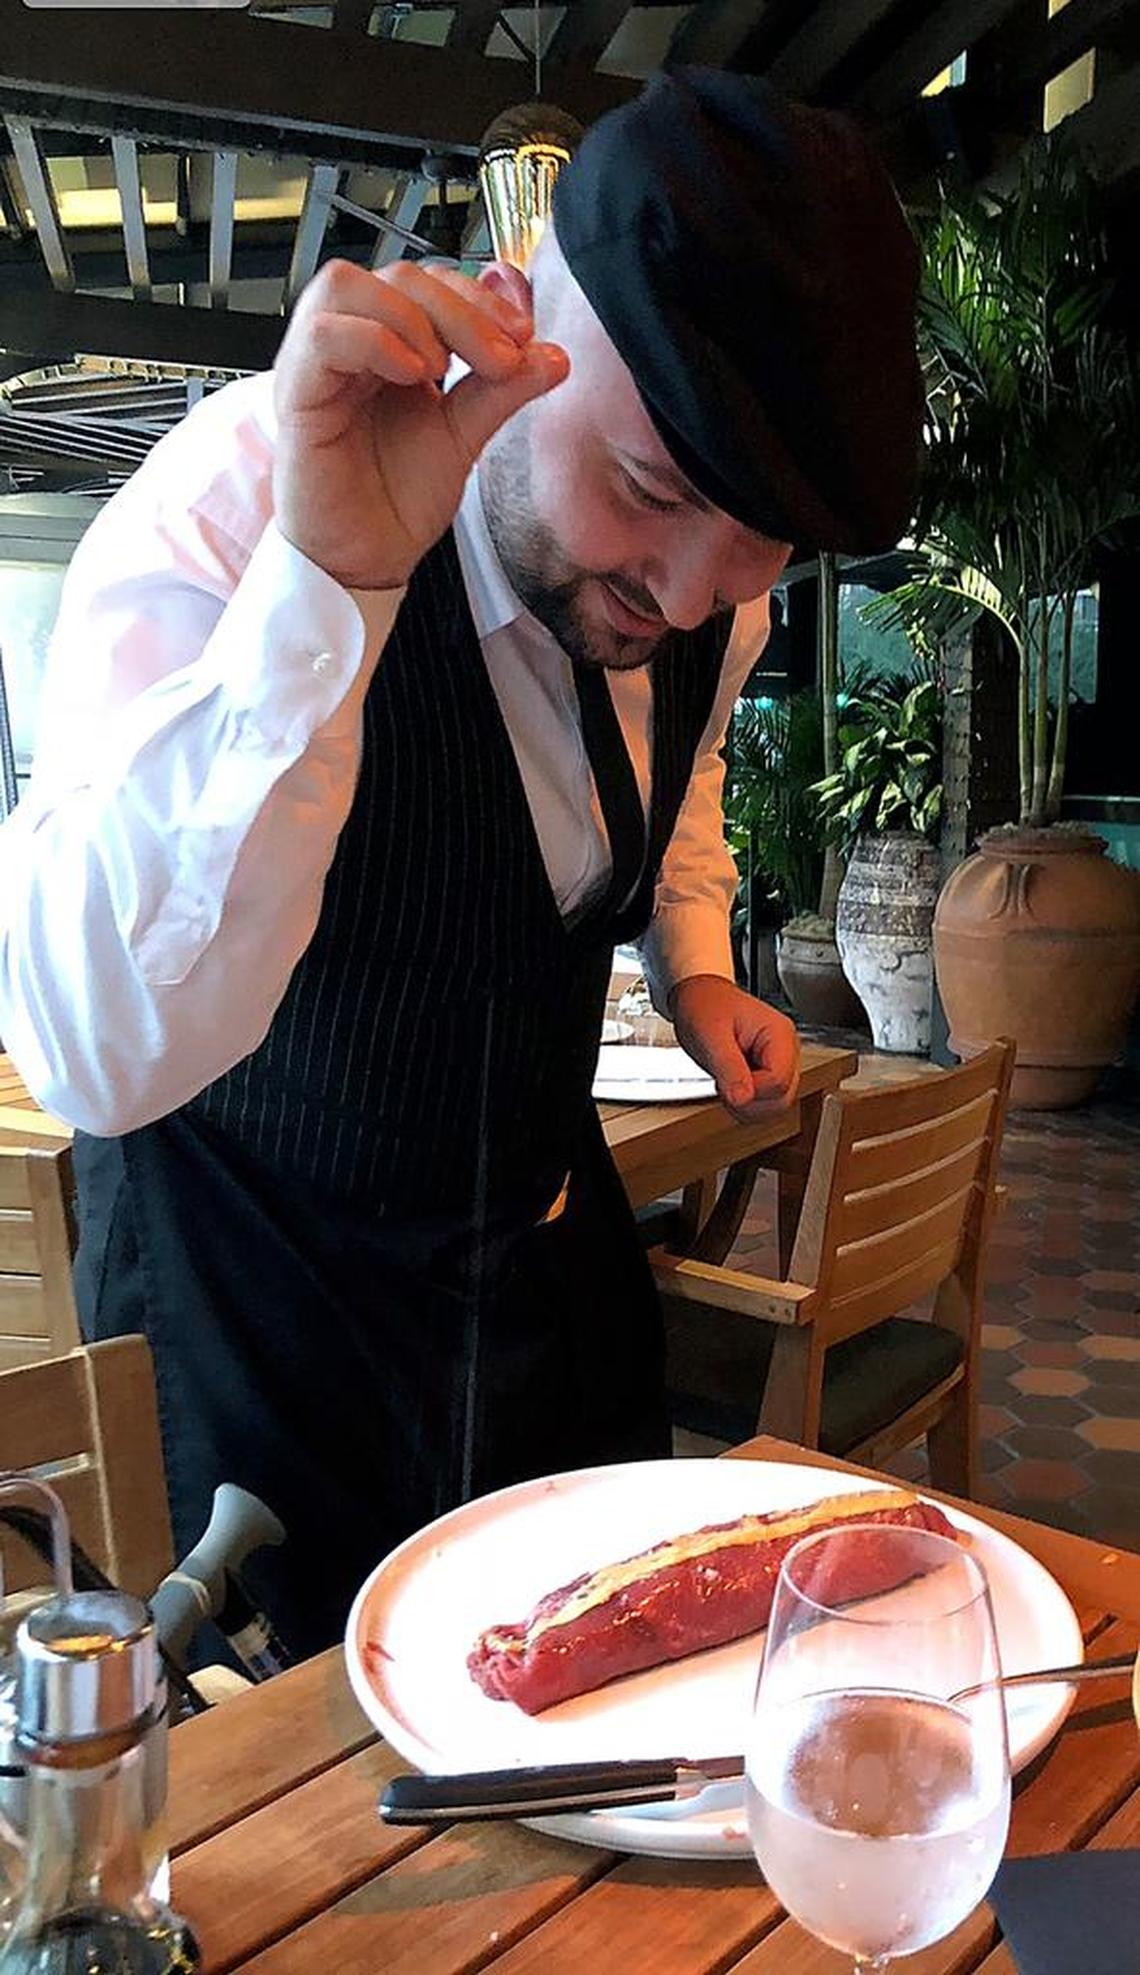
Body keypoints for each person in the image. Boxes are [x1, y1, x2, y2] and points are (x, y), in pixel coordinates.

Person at [0, 70, 922, 1656]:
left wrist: (694, 967)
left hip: (541, 1279)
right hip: (266, 1313)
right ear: (516, 319)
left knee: (589, 1728)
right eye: (648, 491)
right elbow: (93, 1052)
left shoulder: (708, 595)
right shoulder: (237, 506)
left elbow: (684, 783)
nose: (685, 598)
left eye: (757, 550)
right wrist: (327, 590)